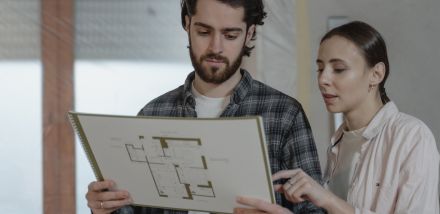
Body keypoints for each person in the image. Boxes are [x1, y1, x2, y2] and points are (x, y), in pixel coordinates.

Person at [84, 0, 324, 214]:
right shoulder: (154, 113)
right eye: (203, 31)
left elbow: (314, 209)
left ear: (250, 33)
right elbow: (132, 207)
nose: (215, 47)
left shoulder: (284, 114)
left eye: (230, 35)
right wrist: (105, 207)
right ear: (187, 25)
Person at [235, 21, 440, 214]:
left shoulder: (412, 136)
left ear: (376, 74)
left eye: (339, 69)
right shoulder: (339, 142)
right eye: (320, 68)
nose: (323, 80)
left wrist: (328, 200)